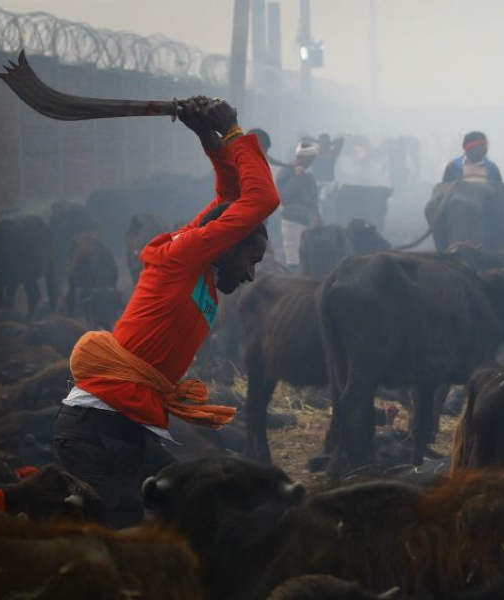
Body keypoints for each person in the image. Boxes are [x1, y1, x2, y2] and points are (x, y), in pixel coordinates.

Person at [51, 96, 279, 528]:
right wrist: (233, 129)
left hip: (123, 422)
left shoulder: (200, 269)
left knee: (188, 509)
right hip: (98, 425)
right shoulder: (187, 256)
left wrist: (208, 139)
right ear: (228, 244)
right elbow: (262, 198)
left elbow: (230, 198)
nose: (250, 275)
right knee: (125, 528)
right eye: (251, 259)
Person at [276, 142, 321, 268]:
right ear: (300, 157)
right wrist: (296, 178)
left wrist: (316, 219)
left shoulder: (309, 176)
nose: (310, 163)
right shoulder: (285, 173)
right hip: (293, 222)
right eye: (308, 159)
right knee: (294, 261)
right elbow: (284, 198)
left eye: (311, 160)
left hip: (309, 223)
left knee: (310, 261)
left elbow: (313, 201)